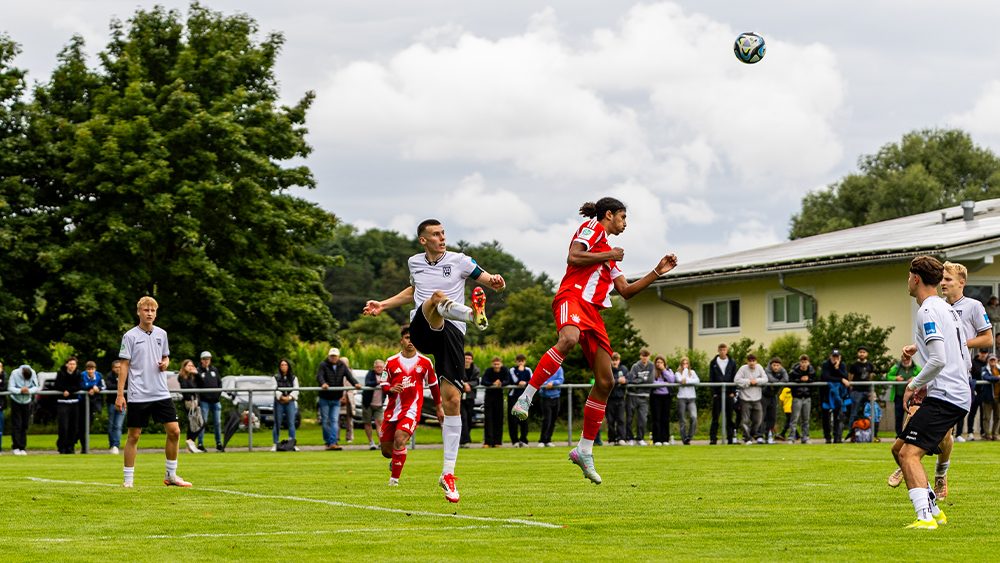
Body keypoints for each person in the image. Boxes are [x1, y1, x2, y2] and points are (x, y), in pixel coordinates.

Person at [364, 219, 505, 502]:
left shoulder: (460, 261)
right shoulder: (414, 262)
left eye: (443, 234)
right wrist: (384, 303)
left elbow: (490, 281)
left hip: (450, 334)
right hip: (422, 327)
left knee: (453, 400)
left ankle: (447, 473)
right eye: (436, 234)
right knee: (435, 297)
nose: (442, 238)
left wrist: (497, 283)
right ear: (423, 240)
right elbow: (413, 293)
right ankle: (472, 314)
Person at [888, 256, 970, 529]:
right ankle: (934, 510)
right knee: (898, 448)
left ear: (916, 278)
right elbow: (961, 358)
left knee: (908, 455)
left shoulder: (927, 311)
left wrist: (913, 386)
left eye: (908, 276)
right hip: (955, 393)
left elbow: (938, 360)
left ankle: (925, 517)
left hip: (946, 396)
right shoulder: (948, 309)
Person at [932, 261, 993, 497]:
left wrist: (960, 342)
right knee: (914, 413)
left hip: (957, 376)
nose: (943, 283)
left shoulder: (973, 306)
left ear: (962, 282)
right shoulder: (936, 306)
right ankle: (903, 460)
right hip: (934, 372)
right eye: (942, 279)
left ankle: (940, 473)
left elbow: (987, 339)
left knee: (946, 432)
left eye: (948, 279)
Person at [117, 296, 191, 488]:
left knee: (174, 431)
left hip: (161, 392)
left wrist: (165, 363)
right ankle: (128, 479)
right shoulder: (130, 336)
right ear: (138, 312)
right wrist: (120, 394)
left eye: (153, 310)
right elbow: (124, 366)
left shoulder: (162, 334)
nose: (149, 313)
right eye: (146, 310)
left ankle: (171, 476)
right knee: (134, 435)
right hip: (138, 393)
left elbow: (165, 357)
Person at [379, 325, 442, 487]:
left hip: (412, 410)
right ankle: (396, 459)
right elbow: (384, 382)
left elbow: (434, 385)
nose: (410, 341)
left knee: (399, 440)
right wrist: (390, 389)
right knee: (387, 451)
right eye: (407, 338)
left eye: (413, 338)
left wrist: (439, 407)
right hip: (392, 411)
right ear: (401, 340)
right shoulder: (391, 361)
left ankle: (394, 480)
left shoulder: (425, 362)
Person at [316, 348, 362, 451]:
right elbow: (319, 376)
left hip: (336, 398)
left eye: (335, 356)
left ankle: (333, 442)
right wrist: (323, 383)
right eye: (332, 356)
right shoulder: (323, 365)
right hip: (324, 398)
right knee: (324, 421)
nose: (333, 358)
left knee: (334, 420)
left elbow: (349, 376)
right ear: (329, 356)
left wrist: (355, 383)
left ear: (338, 356)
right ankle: (328, 442)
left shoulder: (342, 365)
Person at [708, 343, 738, 445]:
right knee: (715, 417)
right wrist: (713, 393)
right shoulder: (713, 363)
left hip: (729, 393)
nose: (722, 351)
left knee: (729, 417)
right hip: (717, 393)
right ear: (718, 351)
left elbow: (735, 377)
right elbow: (711, 378)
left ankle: (730, 438)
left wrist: (733, 392)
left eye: (724, 349)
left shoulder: (732, 362)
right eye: (720, 350)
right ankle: (713, 438)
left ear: (727, 350)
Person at [735, 353, 766, 444]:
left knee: (758, 419)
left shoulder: (759, 368)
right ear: (747, 361)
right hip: (745, 399)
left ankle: (752, 433)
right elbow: (737, 380)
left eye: (753, 361)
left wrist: (756, 381)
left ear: (756, 361)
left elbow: (765, 379)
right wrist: (748, 382)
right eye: (750, 361)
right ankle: (747, 437)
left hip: (757, 398)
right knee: (745, 420)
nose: (752, 363)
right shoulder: (743, 369)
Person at [625, 350, 655, 446]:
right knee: (629, 418)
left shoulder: (651, 366)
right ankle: (630, 438)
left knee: (642, 418)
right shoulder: (635, 366)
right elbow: (632, 380)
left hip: (644, 396)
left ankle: (640, 439)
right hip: (632, 395)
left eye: (646, 355)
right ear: (640, 356)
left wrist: (640, 380)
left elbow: (651, 380)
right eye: (643, 355)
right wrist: (644, 379)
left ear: (649, 357)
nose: (645, 357)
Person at [886, 355, 920, 438]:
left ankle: (911, 434)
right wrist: (895, 378)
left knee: (912, 416)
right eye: (903, 360)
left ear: (911, 359)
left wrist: (913, 379)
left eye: (907, 359)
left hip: (912, 398)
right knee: (898, 417)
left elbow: (923, 375)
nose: (905, 361)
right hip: (899, 396)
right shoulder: (896, 367)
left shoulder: (916, 368)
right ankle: (899, 435)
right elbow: (888, 376)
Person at [8, 365, 38, 455]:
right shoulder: (14, 373)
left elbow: (36, 387)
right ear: (22, 373)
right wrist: (20, 390)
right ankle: (16, 447)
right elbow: (10, 387)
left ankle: (22, 447)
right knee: (16, 424)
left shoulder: (32, 373)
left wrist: (29, 390)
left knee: (25, 425)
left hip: (26, 401)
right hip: (15, 401)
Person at [196, 351, 223, 452]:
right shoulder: (198, 371)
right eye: (204, 359)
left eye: (208, 359)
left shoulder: (214, 370)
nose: (206, 361)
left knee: (217, 423)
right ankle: (200, 443)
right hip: (204, 401)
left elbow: (219, 383)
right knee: (203, 422)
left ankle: (219, 443)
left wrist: (217, 395)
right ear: (201, 360)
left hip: (215, 401)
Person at [820, 350, 849, 444]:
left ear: (840, 357)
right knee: (825, 416)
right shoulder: (825, 364)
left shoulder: (842, 365)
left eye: (837, 357)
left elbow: (845, 376)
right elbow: (827, 377)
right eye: (834, 356)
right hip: (825, 394)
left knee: (838, 415)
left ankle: (837, 437)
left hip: (838, 394)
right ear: (830, 356)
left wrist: (837, 368)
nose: (835, 359)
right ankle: (828, 437)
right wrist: (841, 379)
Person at [54, 356, 82, 454]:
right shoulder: (61, 373)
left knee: (73, 426)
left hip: (74, 403)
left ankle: (70, 446)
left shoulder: (78, 374)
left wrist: (69, 391)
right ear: (66, 364)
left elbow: (78, 386)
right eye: (70, 364)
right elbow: (57, 385)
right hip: (63, 403)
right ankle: (62, 447)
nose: (72, 366)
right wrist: (64, 391)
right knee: (63, 426)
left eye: (74, 364)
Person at [846, 346, 874, 441]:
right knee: (854, 413)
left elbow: (870, 377)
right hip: (857, 391)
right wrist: (852, 389)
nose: (862, 353)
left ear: (867, 354)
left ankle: (870, 434)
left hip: (866, 390)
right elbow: (851, 378)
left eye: (864, 352)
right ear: (858, 353)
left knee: (869, 412)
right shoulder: (854, 365)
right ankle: (852, 435)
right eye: (860, 352)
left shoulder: (870, 365)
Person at [270, 359, 299, 450]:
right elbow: (274, 389)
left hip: (290, 401)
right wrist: (281, 397)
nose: (284, 367)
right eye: (282, 365)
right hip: (279, 402)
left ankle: (292, 443)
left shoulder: (294, 378)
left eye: (285, 365)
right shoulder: (275, 378)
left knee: (291, 422)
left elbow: (296, 389)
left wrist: (289, 398)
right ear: (279, 367)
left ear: (288, 366)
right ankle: (275, 443)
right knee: (277, 422)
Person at [787, 355, 816, 443]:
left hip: (807, 397)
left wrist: (809, 379)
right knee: (794, 419)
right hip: (797, 397)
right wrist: (800, 380)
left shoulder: (811, 371)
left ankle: (805, 437)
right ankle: (791, 437)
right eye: (802, 362)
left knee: (806, 419)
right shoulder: (794, 372)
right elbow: (789, 381)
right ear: (800, 362)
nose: (804, 364)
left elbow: (815, 379)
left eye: (805, 362)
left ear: (808, 362)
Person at [482, 357, 508, 448]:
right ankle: (488, 441)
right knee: (488, 418)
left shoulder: (504, 370)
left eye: (498, 364)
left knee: (498, 418)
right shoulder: (488, 371)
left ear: (501, 364)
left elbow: (508, 380)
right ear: (492, 364)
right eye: (495, 364)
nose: (496, 366)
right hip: (489, 396)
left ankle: (497, 442)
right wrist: (493, 383)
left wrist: (501, 384)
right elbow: (483, 381)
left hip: (499, 396)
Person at [964, 348, 989, 441]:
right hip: (975, 391)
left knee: (984, 414)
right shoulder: (973, 362)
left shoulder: (988, 363)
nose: (983, 354)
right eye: (982, 352)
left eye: (985, 353)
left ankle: (983, 432)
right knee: (972, 413)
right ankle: (970, 432)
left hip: (985, 392)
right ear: (978, 353)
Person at [177, 359, 201, 454]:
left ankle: (190, 445)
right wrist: (192, 398)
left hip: (194, 402)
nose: (191, 367)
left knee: (194, 424)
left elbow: (202, 383)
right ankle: (191, 441)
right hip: (189, 403)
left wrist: (197, 373)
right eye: (189, 366)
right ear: (184, 367)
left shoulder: (192, 377)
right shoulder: (182, 377)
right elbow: (185, 390)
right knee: (198, 423)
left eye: (192, 366)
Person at [762, 357, 788, 443]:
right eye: (774, 365)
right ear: (771, 364)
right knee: (761, 416)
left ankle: (769, 435)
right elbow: (770, 379)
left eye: (777, 365)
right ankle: (759, 435)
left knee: (772, 416)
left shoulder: (782, 370)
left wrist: (775, 385)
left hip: (773, 396)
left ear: (780, 365)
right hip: (764, 395)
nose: (776, 367)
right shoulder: (767, 370)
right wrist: (778, 383)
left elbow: (786, 379)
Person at [649, 355, 675, 446]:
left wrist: (664, 370)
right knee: (656, 418)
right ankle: (657, 439)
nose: (659, 364)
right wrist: (664, 383)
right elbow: (652, 382)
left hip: (667, 396)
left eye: (661, 362)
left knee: (665, 418)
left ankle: (665, 439)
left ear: (664, 363)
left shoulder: (668, 371)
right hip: (656, 396)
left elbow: (672, 380)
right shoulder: (652, 371)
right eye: (658, 362)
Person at [507, 354, 532, 447]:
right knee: (513, 420)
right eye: (519, 361)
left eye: (522, 361)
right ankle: (515, 441)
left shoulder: (528, 370)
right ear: (516, 361)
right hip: (514, 397)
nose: (520, 362)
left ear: (525, 361)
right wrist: (520, 377)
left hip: (524, 397)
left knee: (524, 419)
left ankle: (523, 440)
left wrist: (525, 382)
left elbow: (532, 380)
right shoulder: (512, 370)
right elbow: (515, 380)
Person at [363, 359, 386, 450]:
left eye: (381, 367)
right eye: (377, 367)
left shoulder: (385, 375)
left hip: (379, 403)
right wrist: (377, 382)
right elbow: (367, 383)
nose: (379, 369)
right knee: (367, 422)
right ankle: (371, 442)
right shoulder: (370, 374)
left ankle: (381, 442)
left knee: (379, 422)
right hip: (368, 403)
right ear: (374, 367)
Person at [538, 366, 564, 447]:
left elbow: (561, 379)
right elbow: (539, 380)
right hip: (546, 398)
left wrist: (552, 384)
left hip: (556, 397)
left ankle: (548, 439)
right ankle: (542, 440)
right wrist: (547, 385)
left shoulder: (559, 368)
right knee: (546, 419)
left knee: (553, 420)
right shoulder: (543, 368)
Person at [675, 357, 699, 445]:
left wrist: (688, 380)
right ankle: (684, 438)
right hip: (681, 398)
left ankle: (690, 436)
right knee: (683, 420)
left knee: (694, 417)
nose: (685, 366)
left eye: (686, 364)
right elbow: (681, 380)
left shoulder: (692, 373)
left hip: (691, 398)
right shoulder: (678, 373)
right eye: (683, 364)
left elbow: (697, 381)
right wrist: (685, 373)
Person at [81, 361, 105, 443]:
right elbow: (81, 386)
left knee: (89, 423)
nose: (90, 371)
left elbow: (103, 386)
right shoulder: (82, 375)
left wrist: (97, 389)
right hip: (82, 402)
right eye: (89, 369)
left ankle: (85, 444)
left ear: (95, 369)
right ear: (86, 369)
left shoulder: (99, 375)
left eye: (92, 369)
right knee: (81, 423)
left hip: (93, 402)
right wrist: (92, 387)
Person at [607, 352, 628, 445]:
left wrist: (625, 381)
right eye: (613, 360)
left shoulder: (624, 369)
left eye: (616, 360)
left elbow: (629, 379)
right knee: (610, 420)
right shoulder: (608, 370)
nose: (614, 362)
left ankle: (621, 438)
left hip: (620, 398)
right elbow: (607, 381)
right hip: (610, 398)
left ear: (619, 360)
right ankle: (611, 439)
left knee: (620, 419)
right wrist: (617, 381)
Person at [460, 352, 480, 448]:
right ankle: (465, 441)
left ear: (472, 360)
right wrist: (463, 385)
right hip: (459, 397)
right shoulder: (458, 368)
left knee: (468, 419)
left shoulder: (475, 370)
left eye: (469, 358)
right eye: (466, 358)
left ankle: (464, 439)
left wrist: (468, 385)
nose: (467, 360)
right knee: (462, 418)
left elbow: (476, 381)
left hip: (470, 397)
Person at [105, 360, 125, 454]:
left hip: (123, 404)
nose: (118, 369)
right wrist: (120, 386)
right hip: (111, 403)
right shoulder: (109, 376)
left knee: (118, 425)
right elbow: (109, 386)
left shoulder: (126, 375)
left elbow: (128, 386)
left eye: (120, 367)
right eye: (116, 367)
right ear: (113, 368)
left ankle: (116, 445)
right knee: (111, 425)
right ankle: (111, 444)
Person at [980, 354, 1000, 440]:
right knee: (986, 417)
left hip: (998, 397)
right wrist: (997, 378)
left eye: (994, 360)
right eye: (991, 360)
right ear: (988, 361)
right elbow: (986, 377)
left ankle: (995, 435)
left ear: (997, 361)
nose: (992, 361)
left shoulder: (999, 369)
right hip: (988, 397)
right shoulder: (985, 369)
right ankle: (987, 435)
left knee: (998, 417)